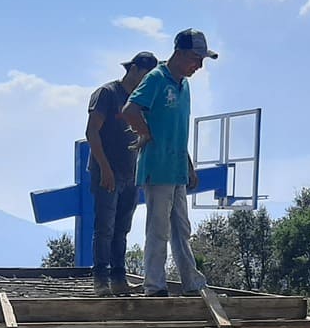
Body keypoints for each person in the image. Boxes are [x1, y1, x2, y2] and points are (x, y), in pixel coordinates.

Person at [120, 29, 216, 297]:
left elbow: (177, 130)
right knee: (158, 228)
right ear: (180, 52)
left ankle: (192, 282)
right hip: (157, 167)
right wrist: (146, 133)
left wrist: (188, 164)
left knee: (181, 229)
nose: (198, 65)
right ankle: (155, 285)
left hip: (176, 168)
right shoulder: (157, 78)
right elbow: (130, 110)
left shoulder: (184, 85)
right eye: (196, 58)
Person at [85, 52, 158, 295]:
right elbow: (92, 132)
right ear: (134, 69)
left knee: (122, 228)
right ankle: (101, 279)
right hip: (107, 170)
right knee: (104, 227)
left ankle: (119, 278)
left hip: (131, 173)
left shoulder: (140, 100)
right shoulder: (107, 93)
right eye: (145, 75)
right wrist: (104, 168)